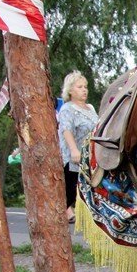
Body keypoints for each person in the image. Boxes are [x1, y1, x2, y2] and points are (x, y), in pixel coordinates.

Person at [58, 70, 97, 224]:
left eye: (85, 86)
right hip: (74, 155)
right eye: (80, 87)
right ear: (70, 90)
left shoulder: (90, 108)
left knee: (88, 187)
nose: (84, 90)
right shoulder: (67, 108)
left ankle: (85, 214)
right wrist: (74, 150)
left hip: (91, 154)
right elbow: (66, 130)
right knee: (71, 187)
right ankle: (65, 210)